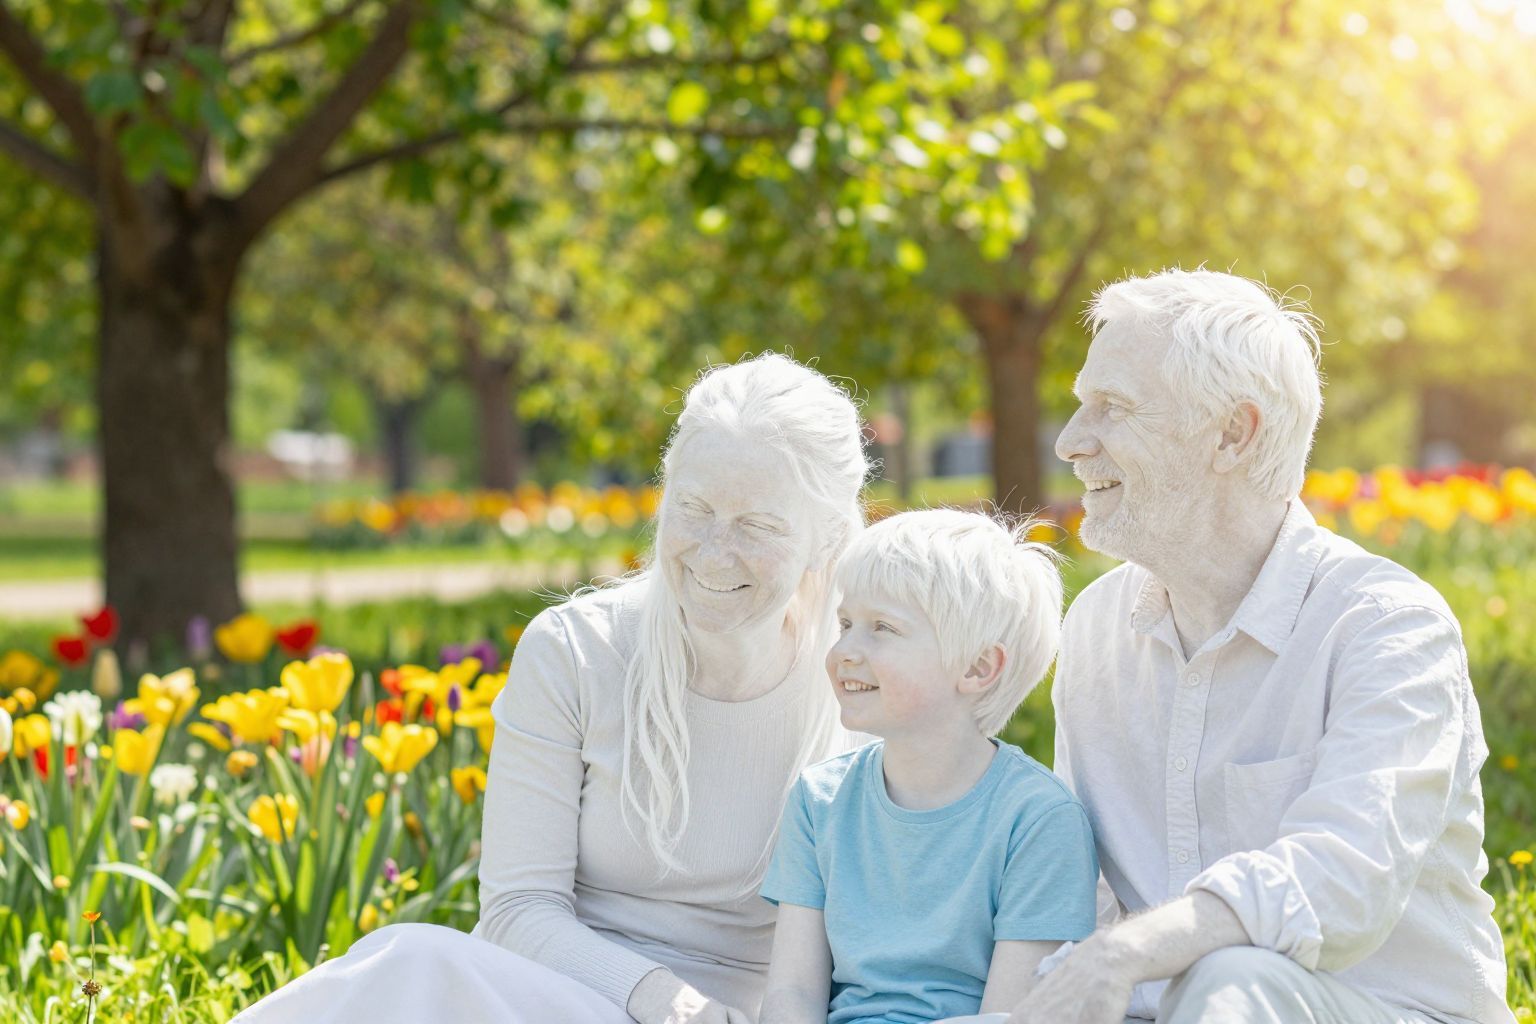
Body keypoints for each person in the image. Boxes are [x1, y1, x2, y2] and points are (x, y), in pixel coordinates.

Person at [233, 352, 872, 1024]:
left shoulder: (861, 682)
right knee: (413, 959)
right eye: (694, 508)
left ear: (825, 534)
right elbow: (516, 911)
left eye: (758, 525)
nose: (714, 551)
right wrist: (672, 1005)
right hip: (563, 997)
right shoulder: (575, 651)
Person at [1009, 269, 1512, 1024]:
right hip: (1167, 1012)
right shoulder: (1097, 626)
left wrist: (1127, 954)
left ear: (1232, 434)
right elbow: (1097, 899)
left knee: (1230, 982)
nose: (1072, 442)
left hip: (1378, 1010)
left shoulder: (1386, 625)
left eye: (1110, 408)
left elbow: (1340, 878)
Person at [757, 509, 1098, 1024]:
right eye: (846, 624)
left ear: (978, 667)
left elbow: (1015, 1015)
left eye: (883, 628)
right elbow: (792, 995)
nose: (845, 650)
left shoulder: (1040, 821)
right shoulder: (818, 800)